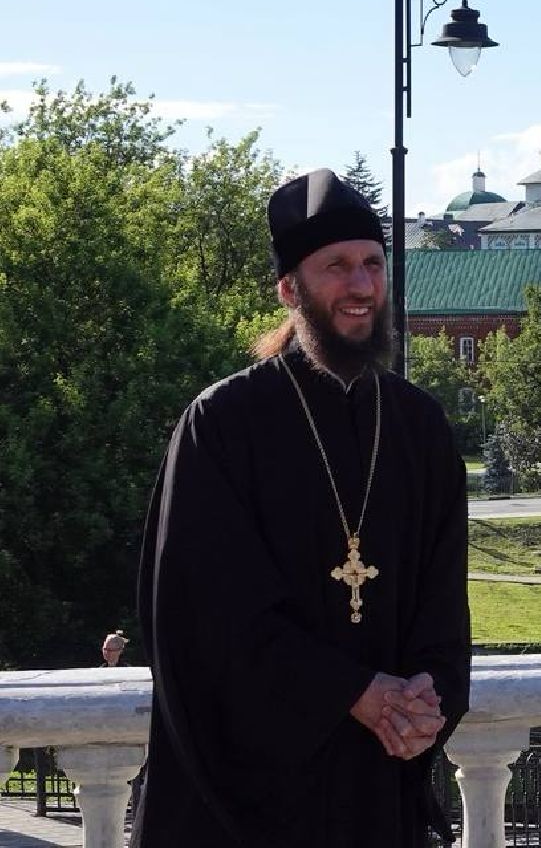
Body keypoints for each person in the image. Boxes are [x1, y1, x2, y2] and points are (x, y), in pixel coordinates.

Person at [134, 168, 471, 848]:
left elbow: (443, 600)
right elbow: (205, 617)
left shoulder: (420, 427)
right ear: (290, 289)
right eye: (337, 267)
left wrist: (426, 700)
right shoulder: (222, 424)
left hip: (376, 792)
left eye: (373, 265)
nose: (362, 287)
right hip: (243, 806)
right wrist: (351, 691)